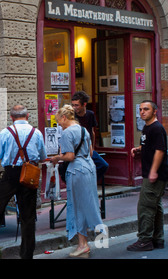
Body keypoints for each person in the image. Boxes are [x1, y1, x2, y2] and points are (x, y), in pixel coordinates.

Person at [0, 105, 47, 259]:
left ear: (11, 117)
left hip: (11, 172)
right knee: (28, 214)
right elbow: (43, 157)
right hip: (29, 173)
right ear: (28, 115)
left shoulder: (6, 132)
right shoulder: (36, 133)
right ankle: (27, 252)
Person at [50, 105, 103, 258]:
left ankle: (83, 245)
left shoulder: (67, 133)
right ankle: (85, 241)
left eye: (58, 121)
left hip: (77, 170)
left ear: (64, 118)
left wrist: (57, 157)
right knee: (86, 204)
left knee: (77, 206)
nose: (58, 124)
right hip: (89, 168)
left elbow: (70, 157)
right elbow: (91, 152)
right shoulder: (83, 129)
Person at [127, 100, 168, 251]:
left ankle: (144, 240)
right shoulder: (147, 127)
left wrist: (153, 171)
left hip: (155, 175)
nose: (142, 112)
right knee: (155, 206)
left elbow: (160, 150)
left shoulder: (157, 128)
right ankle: (158, 239)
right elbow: (150, 145)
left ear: (154, 111)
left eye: (146, 109)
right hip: (153, 173)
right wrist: (139, 149)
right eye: (140, 109)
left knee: (145, 206)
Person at [71, 91, 108, 180]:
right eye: (73, 105)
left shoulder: (90, 114)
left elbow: (92, 132)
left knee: (103, 165)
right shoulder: (72, 116)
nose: (74, 108)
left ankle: (91, 180)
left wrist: (92, 147)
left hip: (88, 148)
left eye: (76, 105)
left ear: (84, 104)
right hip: (76, 150)